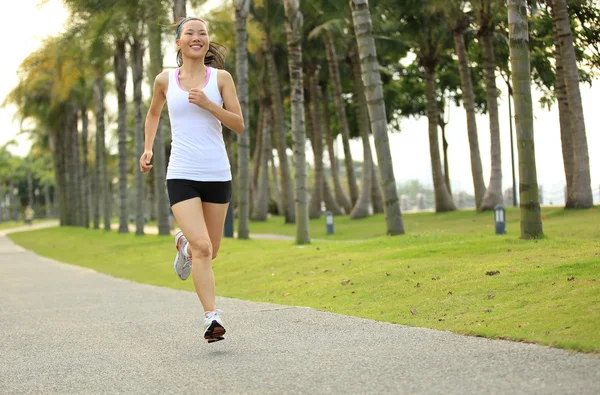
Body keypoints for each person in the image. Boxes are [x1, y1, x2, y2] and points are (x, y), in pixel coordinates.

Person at [139, 16, 244, 344]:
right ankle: (211, 317)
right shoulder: (165, 80)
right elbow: (154, 112)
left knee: (209, 251)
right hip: (181, 173)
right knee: (203, 247)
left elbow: (238, 124)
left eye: (202, 33)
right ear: (179, 43)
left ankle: (182, 243)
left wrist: (210, 104)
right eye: (190, 33)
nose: (197, 37)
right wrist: (147, 149)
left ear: (207, 41)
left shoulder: (221, 78)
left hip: (217, 173)